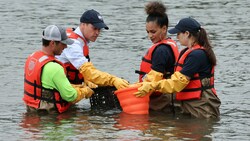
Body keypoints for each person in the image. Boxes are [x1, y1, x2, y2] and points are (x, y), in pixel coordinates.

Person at [134, 17, 221, 118]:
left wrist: (153, 85)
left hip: (202, 108)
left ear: (187, 34)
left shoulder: (197, 55)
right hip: (191, 105)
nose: (177, 37)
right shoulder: (188, 52)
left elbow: (178, 83)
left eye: (178, 33)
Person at [23, 25, 94, 113]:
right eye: (63, 43)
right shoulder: (54, 67)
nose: (65, 47)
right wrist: (86, 91)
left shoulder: (32, 58)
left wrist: (78, 87)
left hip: (32, 111)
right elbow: (70, 96)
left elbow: (48, 85)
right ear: (52, 43)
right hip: (50, 118)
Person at [56, 9, 129, 89]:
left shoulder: (79, 39)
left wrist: (86, 79)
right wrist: (112, 80)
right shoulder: (73, 44)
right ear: (83, 24)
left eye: (99, 29)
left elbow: (86, 71)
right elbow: (88, 71)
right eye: (94, 28)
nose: (97, 33)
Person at [135, 1, 179, 111]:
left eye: (153, 32)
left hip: (162, 99)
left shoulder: (162, 50)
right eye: (148, 32)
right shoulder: (168, 44)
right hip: (166, 95)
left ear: (164, 29)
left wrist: (135, 90)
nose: (150, 36)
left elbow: (155, 78)